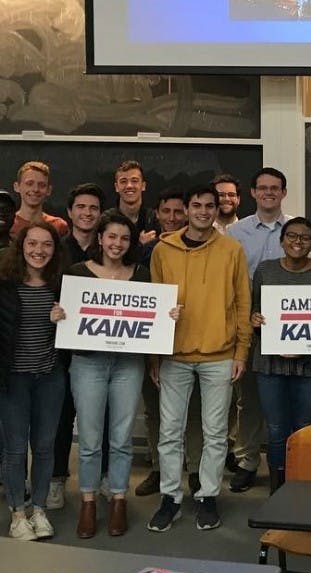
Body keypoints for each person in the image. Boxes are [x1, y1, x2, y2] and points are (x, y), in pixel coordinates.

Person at [54, 213, 178, 538]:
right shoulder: (76, 273)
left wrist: (168, 314)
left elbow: (152, 320)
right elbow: (62, 312)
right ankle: (89, 501)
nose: (117, 244)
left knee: (121, 438)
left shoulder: (141, 276)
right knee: (91, 439)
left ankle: (119, 498)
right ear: (100, 239)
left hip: (128, 364)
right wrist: (59, 313)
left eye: (124, 238)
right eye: (111, 237)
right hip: (87, 364)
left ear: (131, 243)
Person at [148, 185, 251, 533]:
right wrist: (155, 355)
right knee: (170, 431)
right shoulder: (163, 250)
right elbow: (154, 305)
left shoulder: (232, 250)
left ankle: (208, 496)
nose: (204, 211)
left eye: (210, 206)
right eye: (197, 205)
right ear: (186, 209)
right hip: (174, 355)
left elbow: (242, 304)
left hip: (219, 355)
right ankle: (171, 498)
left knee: (216, 432)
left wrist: (241, 351)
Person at [250, 218, 311, 490]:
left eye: (305, 238)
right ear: (281, 240)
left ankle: (302, 487)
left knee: (305, 428)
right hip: (270, 364)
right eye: (292, 236)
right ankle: (279, 486)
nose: (298, 242)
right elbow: (256, 311)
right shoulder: (265, 270)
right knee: (276, 430)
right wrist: (256, 322)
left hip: (310, 366)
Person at [135, 188, 204, 500]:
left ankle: (194, 471)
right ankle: (160, 468)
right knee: (155, 410)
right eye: (167, 212)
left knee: (192, 413)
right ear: (158, 214)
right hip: (155, 341)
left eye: (180, 212)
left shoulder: (204, 247)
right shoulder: (146, 253)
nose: (173, 218)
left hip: (191, 340)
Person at [0, 222, 65, 540]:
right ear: (21, 246)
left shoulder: (61, 285)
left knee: (43, 447)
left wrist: (63, 320)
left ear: (55, 249)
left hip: (49, 377)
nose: (39, 250)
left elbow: (77, 331)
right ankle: (17, 515)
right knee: (14, 449)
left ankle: (39, 510)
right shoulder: (5, 284)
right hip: (13, 379)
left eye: (47, 245)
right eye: (32, 244)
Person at [227, 167, 290, 493]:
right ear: (252, 192)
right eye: (263, 188)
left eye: (275, 188)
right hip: (248, 327)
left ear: (283, 193)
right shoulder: (234, 234)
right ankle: (247, 460)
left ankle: (289, 465)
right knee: (248, 400)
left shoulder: (296, 230)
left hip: (288, 331)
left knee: (286, 400)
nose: (269, 193)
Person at [49, 182, 107, 511]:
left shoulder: (109, 248)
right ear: (69, 212)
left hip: (101, 351)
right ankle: (57, 479)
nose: (87, 213)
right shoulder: (54, 248)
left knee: (104, 417)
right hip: (60, 349)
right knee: (62, 416)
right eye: (81, 207)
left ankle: (101, 477)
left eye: (94, 209)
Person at [11, 160, 68, 238]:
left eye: (42, 185)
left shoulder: (59, 226)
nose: (35, 189)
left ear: (49, 190)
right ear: (17, 187)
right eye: (29, 184)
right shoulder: (8, 224)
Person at [110, 160, 157, 245]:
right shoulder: (107, 220)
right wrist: (140, 245)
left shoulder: (155, 220)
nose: (129, 186)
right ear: (116, 187)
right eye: (123, 181)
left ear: (143, 186)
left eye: (134, 181)